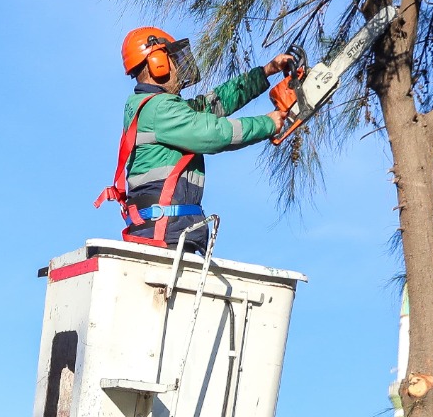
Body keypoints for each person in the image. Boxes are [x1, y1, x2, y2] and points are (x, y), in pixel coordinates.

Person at [95, 26, 297, 252]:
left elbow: (214, 103)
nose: (179, 68)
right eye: (173, 59)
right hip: (165, 235)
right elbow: (213, 134)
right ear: (157, 63)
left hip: (167, 231)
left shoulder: (158, 109)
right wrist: (268, 124)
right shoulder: (159, 110)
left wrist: (266, 71)